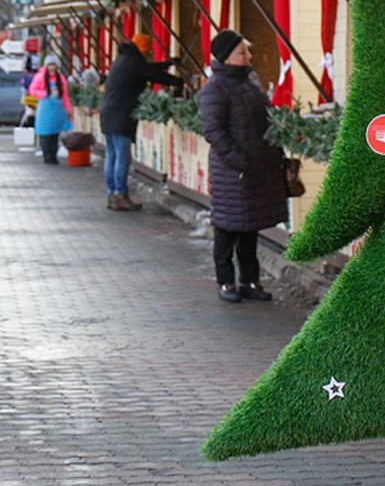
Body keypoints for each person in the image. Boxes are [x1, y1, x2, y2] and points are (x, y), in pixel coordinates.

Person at [198, 30, 288, 303]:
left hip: (255, 167)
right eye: (242, 53)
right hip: (233, 171)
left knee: (250, 225)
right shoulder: (214, 88)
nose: (249, 56)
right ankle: (226, 282)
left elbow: (264, 118)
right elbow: (213, 131)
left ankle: (250, 280)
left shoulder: (250, 80)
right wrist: (240, 161)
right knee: (227, 228)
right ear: (226, 57)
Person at [100, 33, 184, 211]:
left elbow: (147, 69)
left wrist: (168, 63)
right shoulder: (133, 62)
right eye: (147, 51)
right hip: (121, 114)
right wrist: (178, 81)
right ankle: (121, 195)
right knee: (122, 156)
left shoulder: (124, 59)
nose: (148, 54)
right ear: (142, 49)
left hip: (107, 111)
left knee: (112, 155)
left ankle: (111, 193)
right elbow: (152, 74)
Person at [29, 55, 73, 164]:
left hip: (58, 109)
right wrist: (45, 94)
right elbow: (32, 90)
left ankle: (53, 155)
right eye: (49, 65)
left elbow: (64, 95)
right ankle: (47, 155)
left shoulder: (60, 78)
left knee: (55, 134)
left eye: (53, 65)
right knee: (45, 133)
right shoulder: (40, 77)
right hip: (45, 109)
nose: (51, 67)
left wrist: (68, 109)